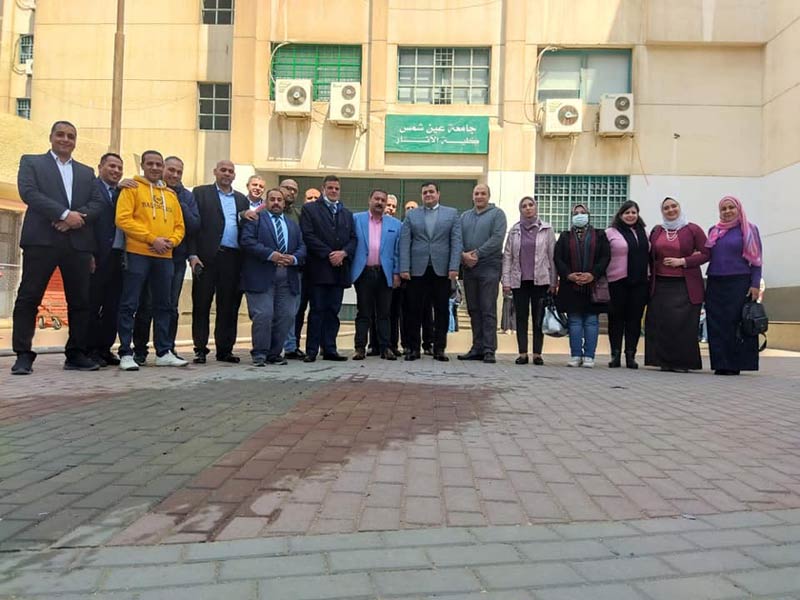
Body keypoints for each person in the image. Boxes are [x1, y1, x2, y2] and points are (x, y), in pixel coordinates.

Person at [11, 121, 106, 375]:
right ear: (51, 136)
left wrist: (77, 218)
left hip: (77, 243)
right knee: (30, 296)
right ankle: (23, 355)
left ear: (76, 141)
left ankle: (76, 353)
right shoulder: (32, 162)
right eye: (61, 135)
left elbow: (98, 203)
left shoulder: (86, 172)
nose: (66, 139)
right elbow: (29, 192)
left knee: (80, 301)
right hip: (42, 240)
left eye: (71, 136)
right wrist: (64, 214)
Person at [115, 151, 187, 370]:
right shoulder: (131, 189)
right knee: (130, 303)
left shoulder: (171, 195)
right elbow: (123, 219)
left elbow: (180, 226)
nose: (155, 168)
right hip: (138, 254)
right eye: (151, 164)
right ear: (143, 165)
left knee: (164, 305)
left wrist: (171, 242)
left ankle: (164, 351)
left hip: (165, 256)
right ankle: (126, 352)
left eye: (158, 164)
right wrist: (151, 239)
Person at [132, 156, 200, 364]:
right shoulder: (143, 189)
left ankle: (167, 349)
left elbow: (194, 225)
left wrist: (176, 201)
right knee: (146, 305)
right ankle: (140, 351)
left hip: (175, 259)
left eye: (179, 172)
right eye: (171, 170)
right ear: (162, 169)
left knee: (170, 306)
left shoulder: (186, 196)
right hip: (148, 254)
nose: (175, 175)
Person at [187, 160, 253, 364]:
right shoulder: (200, 193)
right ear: (215, 172)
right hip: (206, 258)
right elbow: (193, 226)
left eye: (230, 171)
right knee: (202, 303)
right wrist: (192, 254)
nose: (226, 174)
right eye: (223, 170)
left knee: (229, 306)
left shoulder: (242, 199)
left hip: (233, 258)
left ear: (234, 176)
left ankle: (225, 350)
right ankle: (200, 349)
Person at [240, 188, 306, 366]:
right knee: (264, 314)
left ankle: (275, 354)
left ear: (284, 204)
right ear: (266, 202)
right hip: (261, 276)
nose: (276, 202)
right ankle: (260, 353)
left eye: (279, 200)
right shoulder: (256, 220)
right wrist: (271, 255)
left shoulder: (292, 225)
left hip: (287, 277)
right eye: (272, 199)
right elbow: (247, 241)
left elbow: (302, 247)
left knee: (287, 315)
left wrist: (293, 258)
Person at [399, 182, 462, 361]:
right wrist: (404, 267)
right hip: (417, 271)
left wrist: (454, 266)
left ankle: (439, 349)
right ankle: (413, 349)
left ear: (438, 194)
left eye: (431, 192)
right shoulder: (412, 215)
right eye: (425, 192)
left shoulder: (451, 214)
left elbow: (456, 242)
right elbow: (404, 243)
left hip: (441, 270)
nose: (428, 195)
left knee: (441, 311)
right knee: (414, 311)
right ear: (421, 195)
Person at [645, 197, 709, 372]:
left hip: (685, 285)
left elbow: (706, 253)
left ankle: (682, 363)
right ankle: (664, 362)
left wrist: (683, 261)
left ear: (679, 208)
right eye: (666, 208)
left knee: (682, 325)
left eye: (674, 206)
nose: (670, 210)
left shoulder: (692, 229)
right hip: (661, 284)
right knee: (662, 323)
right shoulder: (657, 231)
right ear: (662, 211)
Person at [299, 174, 357, 362]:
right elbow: (308, 236)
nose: (333, 191)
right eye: (330, 188)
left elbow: (353, 239)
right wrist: (329, 254)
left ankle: (330, 349)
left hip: (339, 270)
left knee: (333, 311)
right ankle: (311, 350)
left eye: (336, 188)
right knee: (317, 311)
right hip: (319, 270)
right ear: (323, 189)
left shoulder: (346, 213)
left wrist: (343, 253)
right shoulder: (310, 210)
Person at [705, 195, 763, 375]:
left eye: (731, 208)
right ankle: (720, 364)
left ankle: (735, 364)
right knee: (716, 323)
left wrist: (755, 284)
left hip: (739, 281)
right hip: (715, 281)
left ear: (738, 209)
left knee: (735, 323)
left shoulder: (749, 229)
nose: (727, 211)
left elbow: (757, 260)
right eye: (724, 209)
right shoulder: (714, 231)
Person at [501, 196, 556, 365]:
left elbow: (552, 256)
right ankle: (523, 353)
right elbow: (508, 256)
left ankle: (537, 353)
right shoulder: (515, 230)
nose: (528, 208)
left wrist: (554, 281)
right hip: (520, 281)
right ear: (520, 210)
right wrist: (506, 281)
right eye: (524, 206)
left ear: (536, 207)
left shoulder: (546, 229)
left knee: (538, 318)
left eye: (531, 205)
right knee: (521, 317)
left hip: (541, 280)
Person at [554, 204, 610, 368]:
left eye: (582, 212)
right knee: (575, 321)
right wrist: (569, 275)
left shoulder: (600, 235)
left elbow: (605, 257)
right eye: (576, 213)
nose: (579, 215)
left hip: (592, 285)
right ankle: (576, 354)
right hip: (571, 286)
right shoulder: (564, 236)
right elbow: (558, 258)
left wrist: (592, 274)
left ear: (588, 215)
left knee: (591, 321)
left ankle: (589, 356)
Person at [457, 184, 507, 363]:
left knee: (487, 308)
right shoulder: (464, 217)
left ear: (488, 196)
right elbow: (457, 238)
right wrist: (463, 255)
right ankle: (476, 347)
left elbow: (497, 239)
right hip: (469, 268)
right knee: (473, 309)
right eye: (476, 193)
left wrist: (477, 254)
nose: (479, 196)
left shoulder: (497, 215)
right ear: (472, 196)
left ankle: (488, 349)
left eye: (483, 193)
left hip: (489, 266)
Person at [351, 189, 401, 360]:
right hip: (364, 273)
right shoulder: (356, 219)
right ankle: (359, 348)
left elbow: (397, 252)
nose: (379, 202)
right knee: (363, 312)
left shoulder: (395, 224)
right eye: (376, 199)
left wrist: (396, 273)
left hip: (384, 274)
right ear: (369, 200)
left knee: (384, 313)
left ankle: (385, 347)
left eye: (383, 200)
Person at [86, 152, 125, 367]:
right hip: (99, 255)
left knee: (113, 306)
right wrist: (90, 253)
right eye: (112, 166)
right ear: (100, 166)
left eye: (119, 168)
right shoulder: (92, 189)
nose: (116, 171)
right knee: (93, 304)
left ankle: (105, 348)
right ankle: (90, 349)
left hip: (119, 256)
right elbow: (88, 223)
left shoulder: (121, 193)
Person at [605, 200, 650, 369]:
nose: (631, 215)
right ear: (620, 215)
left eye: (634, 212)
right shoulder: (611, 232)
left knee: (634, 320)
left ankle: (630, 354)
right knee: (616, 319)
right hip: (617, 282)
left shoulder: (643, 232)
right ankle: (615, 354)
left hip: (639, 282)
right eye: (627, 212)